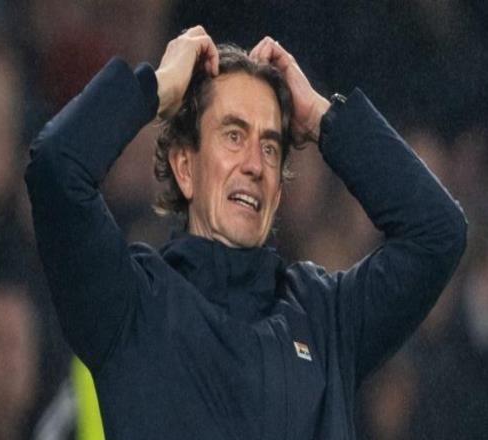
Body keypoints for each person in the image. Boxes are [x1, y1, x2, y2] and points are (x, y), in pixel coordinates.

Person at [25, 26, 467, 440]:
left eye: (270, 147)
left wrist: (322, 118)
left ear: (279, 191)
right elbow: (56, 166)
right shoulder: (131, 305)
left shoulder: (325, 318)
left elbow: (436, 231)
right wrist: (155, 89)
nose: (255, 164)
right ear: (185, 168)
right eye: (234, 136)